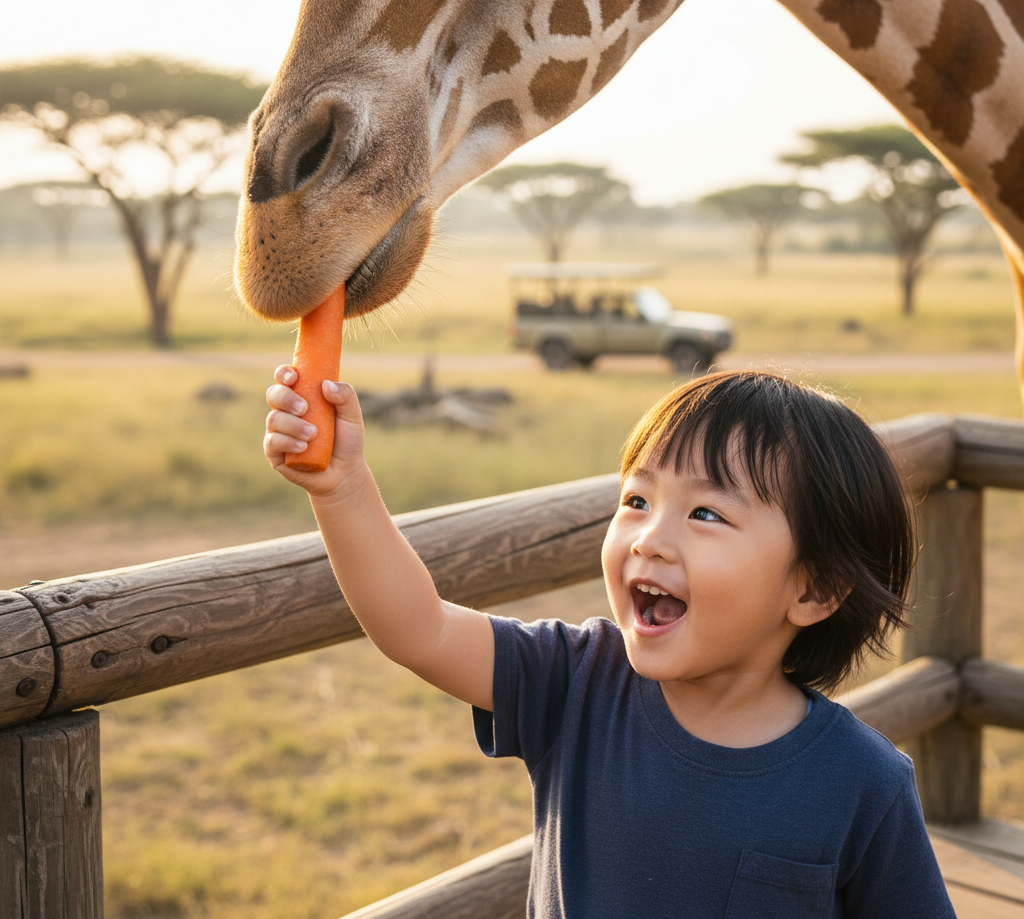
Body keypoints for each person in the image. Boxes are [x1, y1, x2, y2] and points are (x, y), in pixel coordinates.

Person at [264, 368, 955, 918]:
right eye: (637, 500)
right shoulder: (576, 683)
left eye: (707, 513)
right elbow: (421, 629)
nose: (650, 538)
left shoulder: (862, 782)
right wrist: (342, 487)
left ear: (813, 590)